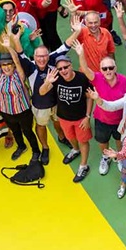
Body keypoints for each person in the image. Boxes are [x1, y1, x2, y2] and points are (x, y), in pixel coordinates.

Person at [40, 54, 95, 182]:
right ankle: (75, 150)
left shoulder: (82, 78)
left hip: (80, 118)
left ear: (71, 66)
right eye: (60, 69)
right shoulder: (56, 79)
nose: (63, 70)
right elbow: (42, 92)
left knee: (83, 141)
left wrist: (87, 116)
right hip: (63, 117)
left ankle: (83, 165)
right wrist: (47, 81)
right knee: (70, 137)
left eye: (66, 67)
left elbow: (89, 97)